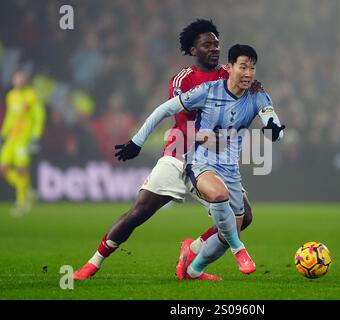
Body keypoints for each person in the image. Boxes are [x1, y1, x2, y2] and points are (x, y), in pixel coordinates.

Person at [73, 19, 260, 280]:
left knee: (244, 217)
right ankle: (94, 262)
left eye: (217, 44)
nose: (214, 49)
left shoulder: (228, 76)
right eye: (207, 45)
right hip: (180, 155)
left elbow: (246, 94)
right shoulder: (183, 79)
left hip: (212, 162)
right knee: (139, 212)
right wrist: (137, 141)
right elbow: (184, 114)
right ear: (193, 50)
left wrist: (252, 90)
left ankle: (192, 251)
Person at [112, 44, 285, 280]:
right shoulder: (208, 90)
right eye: (243, 67)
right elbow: (165, 109)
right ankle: (239, 250)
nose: (248, 73)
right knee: (219, 196)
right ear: (229, 67)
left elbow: (271, 118)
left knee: (237, 223)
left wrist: (275, 130)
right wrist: (137, 141)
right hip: (200, 162)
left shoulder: (257, 95)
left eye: (252, 68)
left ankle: (194, 269)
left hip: (230, 169)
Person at [0, 71, 46, 216]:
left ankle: (21, 201)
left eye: (21, 79)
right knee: (3, 168)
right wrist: (3, 133)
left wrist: (35, 136)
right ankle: (27, 191)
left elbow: (39, 116)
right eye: (16, 80)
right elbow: (10, 116)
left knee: (21, 169)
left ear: (25, 81)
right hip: (11, 139)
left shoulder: (32, 96)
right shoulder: (11, 96)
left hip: (24, 139)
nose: (18, 82)